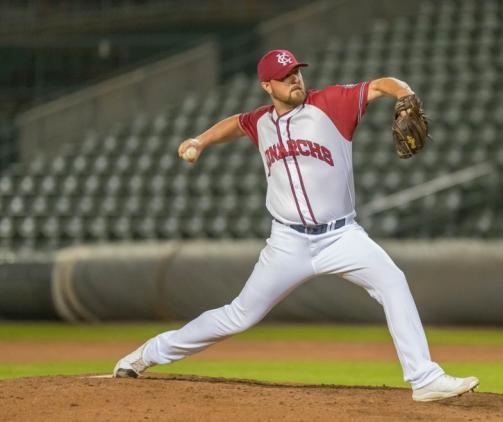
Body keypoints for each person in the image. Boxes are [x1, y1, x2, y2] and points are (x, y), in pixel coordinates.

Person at [113, 49, 478, 402]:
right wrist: (201, 140)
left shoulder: (332, 103)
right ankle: (148, 354)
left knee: (392, 281)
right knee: (238, 315)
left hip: (341, 235)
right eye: (285, 77)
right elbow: (236, 124)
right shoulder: (262, 121)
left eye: (296, 72)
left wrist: (406, 94)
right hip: (287, 242)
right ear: (267, 86)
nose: (294, 80)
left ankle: (424, 378)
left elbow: (383, 85)